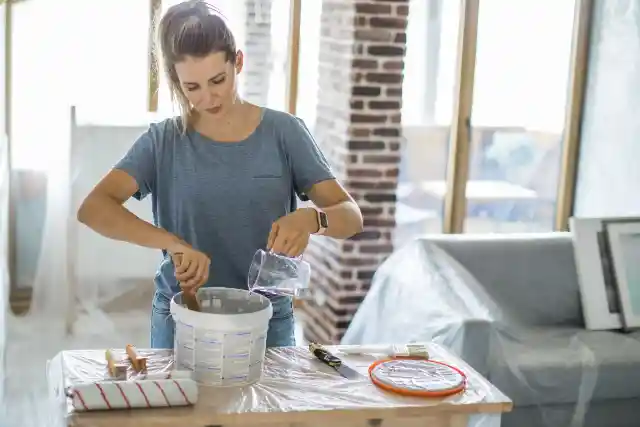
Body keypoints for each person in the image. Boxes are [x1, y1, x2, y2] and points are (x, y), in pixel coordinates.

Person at [76, 0, 363, 349]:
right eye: (192, 87)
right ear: (176, 81)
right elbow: (93, 208)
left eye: (218, 80)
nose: (208, 97)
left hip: (266, 319)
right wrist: (172, 243)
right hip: (183, 314)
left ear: (237, 62)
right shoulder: (163, 141)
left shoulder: (284, 132)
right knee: (182, 405)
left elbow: (351, 217)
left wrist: (312, 219)